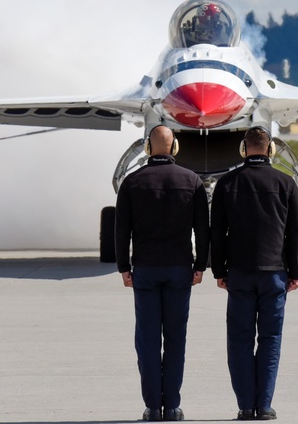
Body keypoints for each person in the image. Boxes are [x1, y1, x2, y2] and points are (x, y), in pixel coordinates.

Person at [115, 125, 210, 422]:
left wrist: (123, 267)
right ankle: (172, 406)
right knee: (175, 338)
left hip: (145, 269)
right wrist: (200, 265)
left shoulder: (132, 182)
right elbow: (202, 230)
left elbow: (121, 231)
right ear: (175, 147)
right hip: (180, 269)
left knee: (147, 340)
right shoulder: (191, 180)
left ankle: (152, 407)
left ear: (147, 147)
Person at [210, 126, 298, 421]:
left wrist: (219, 270)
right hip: (275, 272)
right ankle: (264, 406)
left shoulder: (227, 183)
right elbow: (294, 234)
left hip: (239, 273)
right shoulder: (286, 183)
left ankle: (244, 406)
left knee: (239, 339)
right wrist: (294, 271)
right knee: (270, 339)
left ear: (243, 149)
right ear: (271, 150)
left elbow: (217, 233)